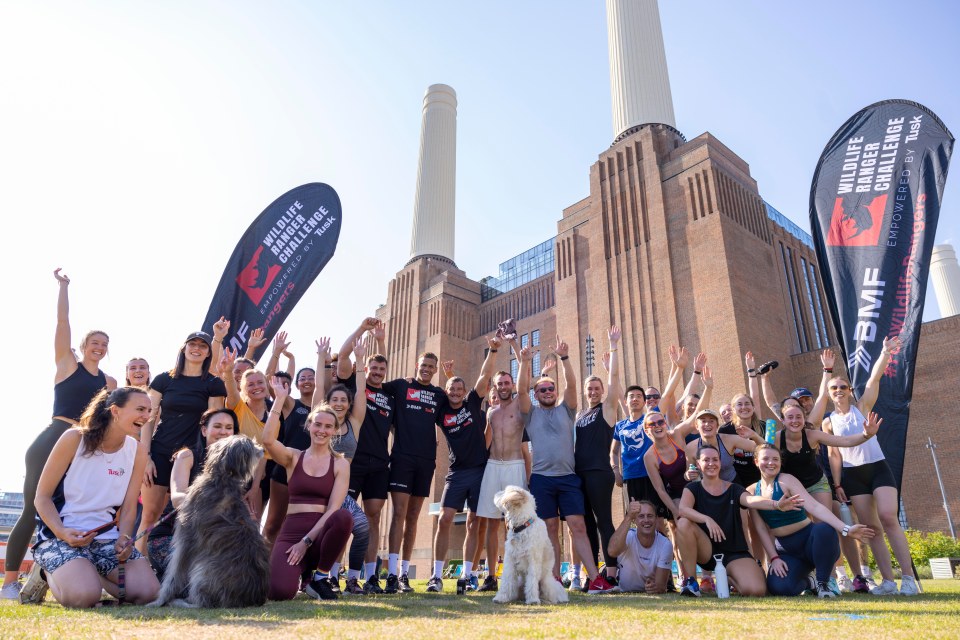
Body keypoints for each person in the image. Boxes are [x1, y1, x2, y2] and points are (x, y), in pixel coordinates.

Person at [3, 269, 117, 600]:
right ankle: (9, 582)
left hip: (83, 449)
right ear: (84, 346)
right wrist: (64, 288)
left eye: (105, 345)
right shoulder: (68, 364)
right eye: (95, 342)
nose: (99, 347)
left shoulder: (109, 384)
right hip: (53, 437)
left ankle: (51, 579)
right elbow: (62, 324)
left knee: (70, 514)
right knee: (32, 508)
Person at [23, 387, 159, 607]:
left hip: (107, 538)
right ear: (115, 410)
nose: (146, 416)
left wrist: (124, 538)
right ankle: (45, 572)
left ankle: (86, 571)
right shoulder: (74, 438)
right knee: (84, 597)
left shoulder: (138, 451)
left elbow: (129, 507)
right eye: (140, 409)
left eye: (149, 410)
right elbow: (42, 497)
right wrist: (62, 532)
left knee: (149, 593)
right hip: (61, 536)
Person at [518, 337, 615, 594]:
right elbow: (519, 392)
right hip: (541, 479)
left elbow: (572, 384)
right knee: (549, 528)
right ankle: (553, 579)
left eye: (551, 389)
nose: (548, 392)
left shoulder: (568, 410)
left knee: (578, 526)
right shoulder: (530, 414)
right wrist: (525, 363)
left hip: (569, 478)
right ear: (536, 394)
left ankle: (595, 579)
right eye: (542, 390)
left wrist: (565, 358)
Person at [824, 335, 919, 596]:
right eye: (834, 388)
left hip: (877, 468)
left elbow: (875, 379)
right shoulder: (828, 422)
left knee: (889, 517)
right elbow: (834, 455)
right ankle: (888, 581)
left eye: (843, 386)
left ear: (850, 391)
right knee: (872, 528)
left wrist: (885, 353)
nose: (840, 390)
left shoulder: (861, 407)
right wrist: (838, 483)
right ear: (830, 394)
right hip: (853, 476)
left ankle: (908, 579)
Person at [137, 328, 227, 556]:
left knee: (185, 519)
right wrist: (145, 456)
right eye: (192, 344)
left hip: (193, 457)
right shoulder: (163, 379)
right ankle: (137, 571)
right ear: (184, 348)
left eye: (202, 346)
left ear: (208, 353)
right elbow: (147, 419)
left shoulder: (214, 383)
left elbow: (214, 425)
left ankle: (176, 574)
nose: (196, 349)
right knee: (150, 515)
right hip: (159, 453)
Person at [747, 444, 876, 597]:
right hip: (787, 550)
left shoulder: (787, 480)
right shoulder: (752, 491)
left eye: (775, 459)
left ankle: (823, 584)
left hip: (811, 541)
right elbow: (761, 528)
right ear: (756, 461)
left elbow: (814, 506)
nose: (771, 463)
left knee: (824, 529)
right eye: (765, 459)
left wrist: (846, 529)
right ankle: (811, 582)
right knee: (779, 588)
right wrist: (774, 558)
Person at [262, 389, 353, 601]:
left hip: (320, 535)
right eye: (318, 424)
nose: (322, 430)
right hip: (292, 533)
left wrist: (306, 541)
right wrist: (279, 399)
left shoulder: (340, 464)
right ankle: (301, 575)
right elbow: (267, 440)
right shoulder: (293, 457)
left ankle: (320, 578)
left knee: (343, 517)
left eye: (328, 426)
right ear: (309, 426)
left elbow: (333, 509)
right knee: (279, 592)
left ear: (335, 431)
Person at [675, 444, 800, 597]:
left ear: (720, 463)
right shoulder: (692, 488)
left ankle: (728, 579)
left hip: (734, 552)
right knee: (683, 522)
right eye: (706, 460)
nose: (711, 464)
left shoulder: (734, 488)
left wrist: (776, 505)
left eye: (715, 459)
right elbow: (683, 510)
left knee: (757, 591)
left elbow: (752, 500)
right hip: (706, 550)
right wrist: (706, 519)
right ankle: (691, 582)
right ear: (699, 464)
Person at [426, 338, 498, 592]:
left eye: (459, 389)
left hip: (480, 470)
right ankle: (435, 576)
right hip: (456, 473)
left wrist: (494, 349)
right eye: (451, 390)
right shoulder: (441, 412)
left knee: (474, 522)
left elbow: (484, 374)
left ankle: (467, 576)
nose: (455, 393)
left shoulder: (471, 402)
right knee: (445, 518)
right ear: (446, 392)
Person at [379, 351, 447, 594]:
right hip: (401, 459)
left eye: (431, 366)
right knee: (398, 513)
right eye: (424, 365)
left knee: (414, 517)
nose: (427, 369)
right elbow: (373, 385)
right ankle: (392, 574)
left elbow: (456, 411)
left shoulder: (439, 395)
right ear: (416, 366)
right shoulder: (400, 386)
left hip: (426, 461)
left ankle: (404, 575)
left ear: (435, 369)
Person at [147, 408, 240, 579]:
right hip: (170, 537)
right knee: (197, 581)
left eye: (229, 428)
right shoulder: (187, 456)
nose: (223, 432)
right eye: (217, 426)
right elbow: (177, 498)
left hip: (209, 541)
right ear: (204, 430)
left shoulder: (234, 466)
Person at [336, 317, 392, 595]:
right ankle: (332, 575)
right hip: (351, 461)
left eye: (382, 369)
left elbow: (385, 357)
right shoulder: (355, 386)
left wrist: (382, 340)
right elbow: (344, 356)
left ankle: (368, 577)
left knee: (373, 518)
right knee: (342, 517)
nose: (378, 372)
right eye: (374, 368)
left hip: (380, 464)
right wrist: (362, 329)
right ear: (365, 369)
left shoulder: (390, 395)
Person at [313, 338, 369, 596]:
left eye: (342, 401)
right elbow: (318, 387)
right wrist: (322, 359)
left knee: (361, 528)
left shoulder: (354, 424)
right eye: (334, 399)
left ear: (348, 405)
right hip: (315, 489)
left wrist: (360, 365)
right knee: (317, 531)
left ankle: (351, 581)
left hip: (341, 492)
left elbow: (360, 393)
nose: (338, 403)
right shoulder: (320, 421)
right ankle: (320, 577)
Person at [475, 349, 532, 593]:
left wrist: (523, 358)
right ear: (495, 387)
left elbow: (524, 384)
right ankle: (490, 575)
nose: (504, 386)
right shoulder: (491, 411)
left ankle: (517, 574)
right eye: (500, 384)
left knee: (516, 524)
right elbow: (485, 445)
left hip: (514, 466)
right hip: (492, 467)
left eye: (507, 382)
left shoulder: (520, 404)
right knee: (490, 523)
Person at [573, 326, 622, 586]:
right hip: (578, 475)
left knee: (604, 521)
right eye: (589, 388)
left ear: (601, 391)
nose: (592, 391)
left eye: (596, 388)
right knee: (586, 525)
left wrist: (613, 347)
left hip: (599, 474)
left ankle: (612, 572)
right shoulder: (580, 414)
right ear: (584, 391)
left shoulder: (607, 409)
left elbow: (614, 379)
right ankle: (593, 575)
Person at [607, 499, 673, 594]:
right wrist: (629, 517)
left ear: (656, 518)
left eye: (650, 516)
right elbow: (612, 552)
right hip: (621, 588)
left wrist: (654, 588)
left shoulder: (665, 544)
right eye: (641, 516)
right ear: (635, 520)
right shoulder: (628, 536)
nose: (646, 520)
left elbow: (661, 586)